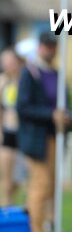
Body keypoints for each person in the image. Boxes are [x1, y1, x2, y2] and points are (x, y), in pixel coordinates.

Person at [16, 32, 70, 232]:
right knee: (41, 183)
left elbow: (64, 102)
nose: (51, 50)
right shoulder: (30, 73)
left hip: (55, 137)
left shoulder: (57, 74)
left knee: (52, 185)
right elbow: (23, 107)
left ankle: (49, 226)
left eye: (53, 46)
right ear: (40, 47)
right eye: (47, 46)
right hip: (36, 139)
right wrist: (50, 115)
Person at [0, 47, 24, 206]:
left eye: (11, 62)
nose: (8, 65)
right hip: (7, 131)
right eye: (5, 62)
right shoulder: (2, 81)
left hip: (23, 132)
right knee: (6, 178)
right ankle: (7, 206)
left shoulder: (24, 80)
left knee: (20, 177)